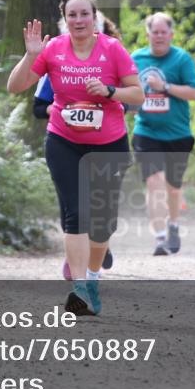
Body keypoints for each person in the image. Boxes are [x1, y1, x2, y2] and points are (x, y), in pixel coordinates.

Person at [7, 0, 143, 315]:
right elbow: (15, 87)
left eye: (85, 14)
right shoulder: (53, 49)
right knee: (76, 213)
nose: (79, 20)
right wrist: (30, 55)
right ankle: (80, 289)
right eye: (73, 15)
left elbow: (137, 96)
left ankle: (92, 278)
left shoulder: (112, 49)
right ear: (65, 19)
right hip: (63, 141)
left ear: (95, 18)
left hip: (109, 145)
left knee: (102, 221)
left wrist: (111, 91)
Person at [32, 14, 121, 278]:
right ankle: (74, 262)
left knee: (102, 208)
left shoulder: (114, 60)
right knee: (72, 205)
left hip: (104, 142)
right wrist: (62, 110)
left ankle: (99, 242)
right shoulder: (55, 62)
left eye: (95, 31)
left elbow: (131, 98)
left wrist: (109, 98)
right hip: (66, 142)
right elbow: (37, 108)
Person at [130, 12, 195, 256]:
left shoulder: (181, 59)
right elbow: (128, 90)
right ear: (148, 34)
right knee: (154, 183)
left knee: (173, 187)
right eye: (155, 32)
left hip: (178, 133)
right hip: (146, 130)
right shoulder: (136, 58)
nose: (159, 36)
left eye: (163, 32)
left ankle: (173, 225)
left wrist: (166, 87)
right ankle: (160, 238)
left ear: (170, 35)